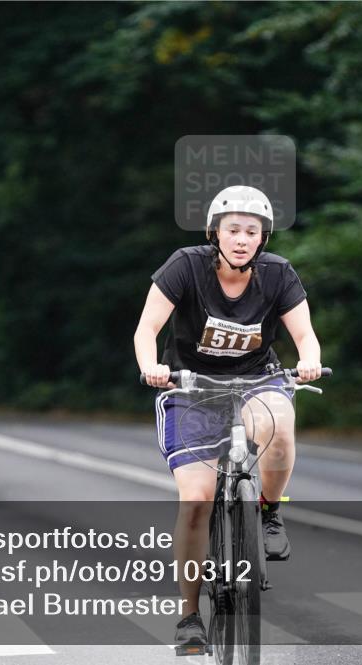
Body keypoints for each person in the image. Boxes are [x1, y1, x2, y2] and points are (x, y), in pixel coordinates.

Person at [133, 185, 322, 649]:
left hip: (258, 380)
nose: (241, 238)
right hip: (190, 386)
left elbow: (306, 336)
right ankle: (189, 616)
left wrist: (310, 360)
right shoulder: (185, 265)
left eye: (251, 231)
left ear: (262, 238)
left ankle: (270, 512)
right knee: (196, 500)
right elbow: (147, 329)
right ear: (215, 233)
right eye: (233, 229)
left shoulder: (278, 275)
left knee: (279, 427)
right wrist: (151, 367)